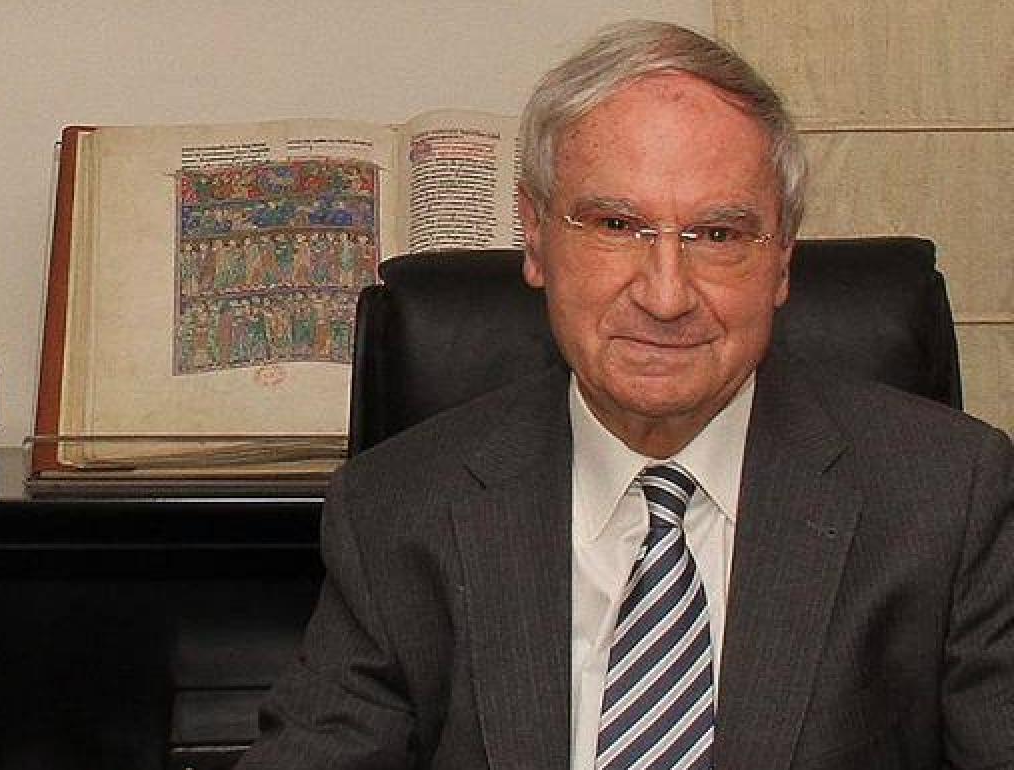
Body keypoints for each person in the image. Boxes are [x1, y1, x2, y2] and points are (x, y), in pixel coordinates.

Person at [235, 19, 1014, 770]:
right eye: (615, 224)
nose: (666, 296)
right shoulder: (398, 512)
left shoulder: (949, 499)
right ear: (535, 236)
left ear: (782, 260)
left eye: (718, 235)